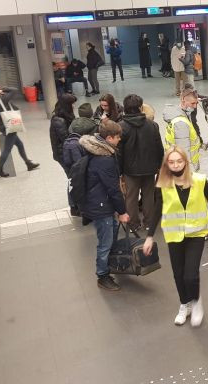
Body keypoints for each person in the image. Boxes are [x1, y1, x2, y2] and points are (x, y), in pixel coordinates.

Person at [143, 146, 208, 327]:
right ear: (167, 164)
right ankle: (184, 305)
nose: (176, 165)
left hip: (196, 232)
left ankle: (196, 301)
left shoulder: (199, 180)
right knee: (178, 274)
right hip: (173, 233)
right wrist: (149, 236)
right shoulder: (163, 184)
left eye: (179, 161)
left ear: (185, 161)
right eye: (171, 162)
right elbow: (157, 209)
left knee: (190, 275)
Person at [78, 120, 130, 291]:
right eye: (117, 137)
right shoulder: (104, 159)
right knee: (105, 242)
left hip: (97, 201)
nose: (119, 140)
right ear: (108, 138)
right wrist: (122, 211)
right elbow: (113, 189)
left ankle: (109, 265)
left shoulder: (97, 149)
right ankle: (103, 275)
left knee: (110, 233)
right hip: (101, 206)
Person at [119, 94, 164, 232]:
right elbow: (159, 149)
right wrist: (158, 166)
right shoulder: (152, 125)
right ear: (140, 107)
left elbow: (118, 152)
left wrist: (120, 172)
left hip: (129, 170)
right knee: (148, 196)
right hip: (150, 169)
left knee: (131, 197)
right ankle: (149, 223)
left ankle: (133, 224)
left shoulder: (121, 127)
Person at [0, 85, 40, 177]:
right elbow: (14, 89)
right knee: (7, 150)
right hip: (10, 126)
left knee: (20, 145)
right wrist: (3, 89)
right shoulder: (2, 101)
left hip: (4, 126)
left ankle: (28, 163)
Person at [164, 90, 201, 171]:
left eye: (196, 103)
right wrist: (188, 172)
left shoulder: (181, 115)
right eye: (192, 103)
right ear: (183, 101)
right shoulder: (180, 123)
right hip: (185, 169)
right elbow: (183, 151)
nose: (195, 106)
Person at [50, 93, 77, 175]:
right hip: (63, 155)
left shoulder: (65, 116)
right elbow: (67, 139)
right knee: (72, 177)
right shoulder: (59, 121)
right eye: (72, 104)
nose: (74, 106)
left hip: (66, 152)